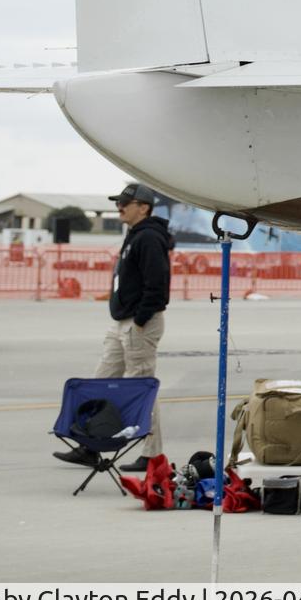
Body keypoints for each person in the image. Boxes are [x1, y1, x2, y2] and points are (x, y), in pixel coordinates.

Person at [88, 184, 172, 471]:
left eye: (126, 202)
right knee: (101, 381)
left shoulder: (148, 238)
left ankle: (152, 454)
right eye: (118, 202)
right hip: (121, 322)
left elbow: (157, 285)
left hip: (139, 323)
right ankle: (90, 445)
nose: (119, 207)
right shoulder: (134, 235)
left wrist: (139, 320)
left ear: (144, 207)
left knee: (141, 387)